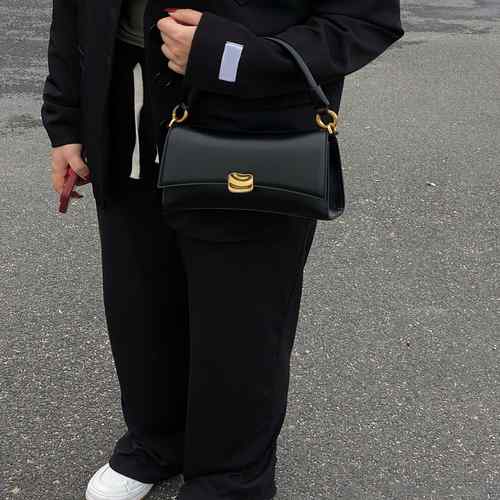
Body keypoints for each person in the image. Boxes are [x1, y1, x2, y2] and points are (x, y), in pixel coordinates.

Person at [41, 2, 404, 499]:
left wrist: (231, 56)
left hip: (250, 128)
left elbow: (364, 20)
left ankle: (231, 480)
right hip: (123, 113)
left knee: (241, 324)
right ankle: (157, 440)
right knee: (140, 304)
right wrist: (66, 121)